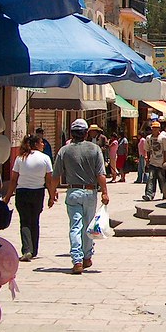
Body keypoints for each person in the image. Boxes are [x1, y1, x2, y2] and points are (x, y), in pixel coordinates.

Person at [49, 117, 108, 275]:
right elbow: (100, 174)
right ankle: (87, 256)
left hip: (73, 192)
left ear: (72, 133)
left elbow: (55, 175)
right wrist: (105, 192)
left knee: (75, 227)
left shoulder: (64, 150)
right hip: (90, 192)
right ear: (86, 133)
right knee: (89, 227)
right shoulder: (94, 149)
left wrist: (51, 193)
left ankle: (77, 260)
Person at [4, 132, 53, 261]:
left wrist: (8, 196)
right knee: (34, 220)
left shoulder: (20, 158)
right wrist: (51, 196)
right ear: (36, 144)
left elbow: (14, 179)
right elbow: (49, 181)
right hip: (38, 193)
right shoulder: (45, 158)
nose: (43, 144)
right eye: (41, 142)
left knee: (24, 221)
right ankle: (34, 250)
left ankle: (27, 250)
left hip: (22, 193)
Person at [143, 121, 166, 202]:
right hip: (153, 162)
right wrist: (147, 159)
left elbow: (165, 150)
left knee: (162, 179)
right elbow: (147, 149)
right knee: (150, 178)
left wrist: (164, 161)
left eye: (156, 128)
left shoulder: (163, 138)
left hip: (161, 162)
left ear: (158, 129)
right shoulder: (148, 138)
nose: (154, 130)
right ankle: (149, 194)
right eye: (153, 128)